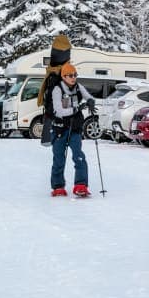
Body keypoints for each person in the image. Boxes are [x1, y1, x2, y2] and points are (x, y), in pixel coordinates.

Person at [48, 62, 95, 197]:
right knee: (59, 159)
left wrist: (91, 101)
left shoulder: (78, 87)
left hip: (74, 128)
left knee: (79, 156)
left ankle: (81, 185)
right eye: (70, 75)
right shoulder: (57, 89)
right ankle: (58, 186)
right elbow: (59, 111)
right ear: (63, 77)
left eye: (75, 75)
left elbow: (89, 97)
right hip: (59, 129)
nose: (73, 77)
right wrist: (76, 109)